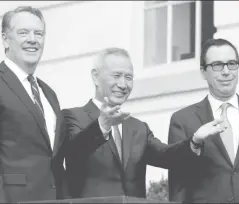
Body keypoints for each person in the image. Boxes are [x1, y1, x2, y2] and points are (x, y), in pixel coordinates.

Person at [61, 48, 225, 199]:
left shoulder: (138, 128)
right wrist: (102, 125)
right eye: (116, 76)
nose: (123, 84)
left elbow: (166, 156)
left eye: (129, 77)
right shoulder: (72, 117)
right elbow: (74, 153)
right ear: (95, 77)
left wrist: (195, 141)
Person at [0, 6, 68, 203]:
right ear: (5, 39)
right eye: (23, 32)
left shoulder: (49, 94)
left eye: (39, 33)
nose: (32, 39)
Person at [168, 38, 239, 203]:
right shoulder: (183, 120)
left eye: (232, 63)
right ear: (203, 72)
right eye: (217, 65)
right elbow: (178, 185)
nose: (226, 71)